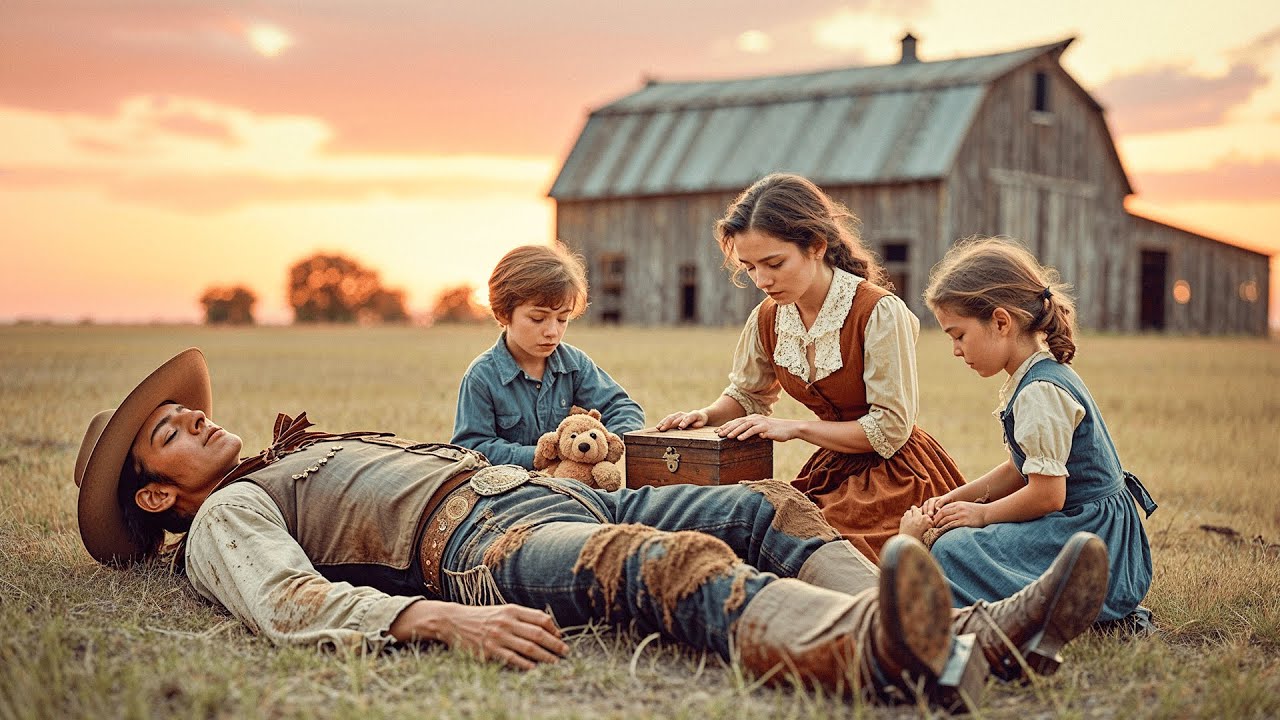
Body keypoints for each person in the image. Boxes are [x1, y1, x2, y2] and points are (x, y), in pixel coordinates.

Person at [73, 349, 1113, 708]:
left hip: (546, 498)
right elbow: (287, 599)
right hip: (477, 553)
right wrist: (436, 621)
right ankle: (878, 652)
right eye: (170, 433)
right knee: (666, 566)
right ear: (159, 497)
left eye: (185, 408)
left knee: (763, 503)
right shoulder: (227, 517)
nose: (197, 418)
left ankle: (969, 633)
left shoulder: (282, 453)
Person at [657, 173, 965, 563]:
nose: (762, 280)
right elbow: (748, 396)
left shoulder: (878, 312)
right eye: (750, 267)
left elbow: (891, 428)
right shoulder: (767, 318)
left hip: (899, 477)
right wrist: (704, 415)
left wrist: (796, 428)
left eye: (774, 263)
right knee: (771, 542)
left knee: (825, 557)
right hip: (831, 469)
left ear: (816, 246)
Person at [904, 236, 1157, 661]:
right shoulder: (1037, 375)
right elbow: (1018, 469)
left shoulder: (1039, 391)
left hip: (1094, 540)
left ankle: (1092, 608)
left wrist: (982, 516)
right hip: (1077, 524)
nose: (955, 350)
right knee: (960, 542)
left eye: (959, 334)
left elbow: (1047, 494)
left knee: (953, 550)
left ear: (1001, 322)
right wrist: (951, 499)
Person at [452, 243, 644, 470]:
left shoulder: (574, 365)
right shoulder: (482, 376)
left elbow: (624, 409)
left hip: (571, 487)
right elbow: (471, 447)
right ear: (503, 313)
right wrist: (546, 453)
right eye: (537, 318)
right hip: (509, 494)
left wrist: (599, 445)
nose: (552, 331)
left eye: (562, 319)